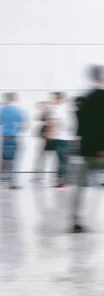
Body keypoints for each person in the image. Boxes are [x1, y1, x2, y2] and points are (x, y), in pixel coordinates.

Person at [70, 65, 104, 233]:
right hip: (99, 149)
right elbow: (101, 124)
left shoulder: (83, 98)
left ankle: (76, 220)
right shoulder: (101, 97)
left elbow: (80, 127)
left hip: (85, 148)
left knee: (80, 186)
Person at [0, 92, 28, 190]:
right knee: (14, 160)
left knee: (4, 159)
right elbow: (24, 124)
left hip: (4, 137)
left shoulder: (1, 109)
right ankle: (12, 182)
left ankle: (2, 180)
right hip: (14, 137)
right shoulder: (18, 110)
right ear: (14, 99)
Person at [47, 92, 75, 188]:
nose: (52, 101)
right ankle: (63, 180)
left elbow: (56, 122)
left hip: (60, 137)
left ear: (58, 99)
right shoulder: (68, 109)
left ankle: (61, 181)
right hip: (66, 138)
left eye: (53, 98)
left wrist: (49, 134)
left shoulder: (59, 109)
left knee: (62, 160)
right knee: (63, 160)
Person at [33, 100, 54, 182]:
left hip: (47, 139)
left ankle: (40, 175)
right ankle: (38, 175)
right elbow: (37, 117)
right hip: (44, 138)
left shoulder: (51, 114)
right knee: (41, 157)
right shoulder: (46, 114)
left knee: (43, 157)